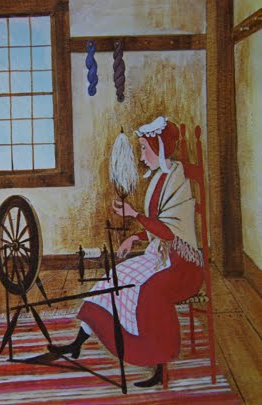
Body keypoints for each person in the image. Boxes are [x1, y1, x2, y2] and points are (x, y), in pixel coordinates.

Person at [48, 116, 204, 387]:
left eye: (144, 149)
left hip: (183, 266)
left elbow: (171, 232)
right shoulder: (160, 177)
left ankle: (160, 364)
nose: (141, 157)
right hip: (162, 256)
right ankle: (77, 343)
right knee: (114, 277)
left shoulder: (176, 180)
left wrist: (135, 216)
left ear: (159, 148)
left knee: (150, 292)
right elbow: (161, 227)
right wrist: (135, 236)